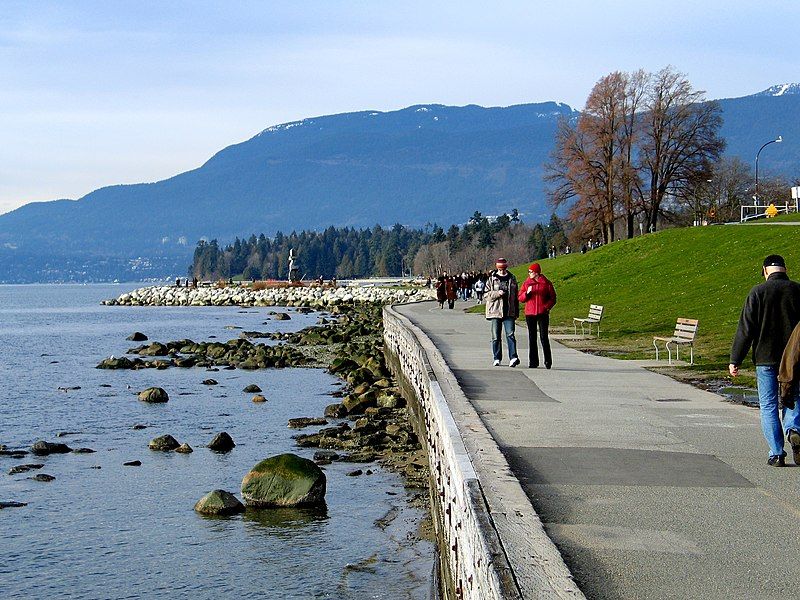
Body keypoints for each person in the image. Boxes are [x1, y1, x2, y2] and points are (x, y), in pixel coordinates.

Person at [730, 254, 800, 467]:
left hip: (765, 357)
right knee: (794, 396)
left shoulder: (757, 292)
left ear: (765, 271)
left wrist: (736, 358)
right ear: (785, 269)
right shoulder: (797, 290)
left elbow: (746, 328)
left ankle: (777, 453)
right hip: (794, 358)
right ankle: (794, 429)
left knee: (768, 404)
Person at [517, 263, 557, 368]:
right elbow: (520, 298)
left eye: (531, 272)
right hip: (530, 313)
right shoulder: (527, 283)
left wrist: (546, 307)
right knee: (532, 337)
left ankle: (548, 361)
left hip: (542, 313)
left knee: (544, 337)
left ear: (536, 272)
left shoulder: (546, 283)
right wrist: (527, 294)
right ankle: (533, 362)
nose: (529, 273)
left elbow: (553, 298)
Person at [485, 258, 520, 367]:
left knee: (510, 335)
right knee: (496, 337)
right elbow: (486, 295)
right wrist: (497, 293)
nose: (502, 271)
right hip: (495, 311)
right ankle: (497, 357)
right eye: (500, 268)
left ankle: (513, 357)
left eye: (503, 268)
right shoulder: (492, 279)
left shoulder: (512, 278)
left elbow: (515, 297)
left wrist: (516, 311)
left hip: (509, 312)